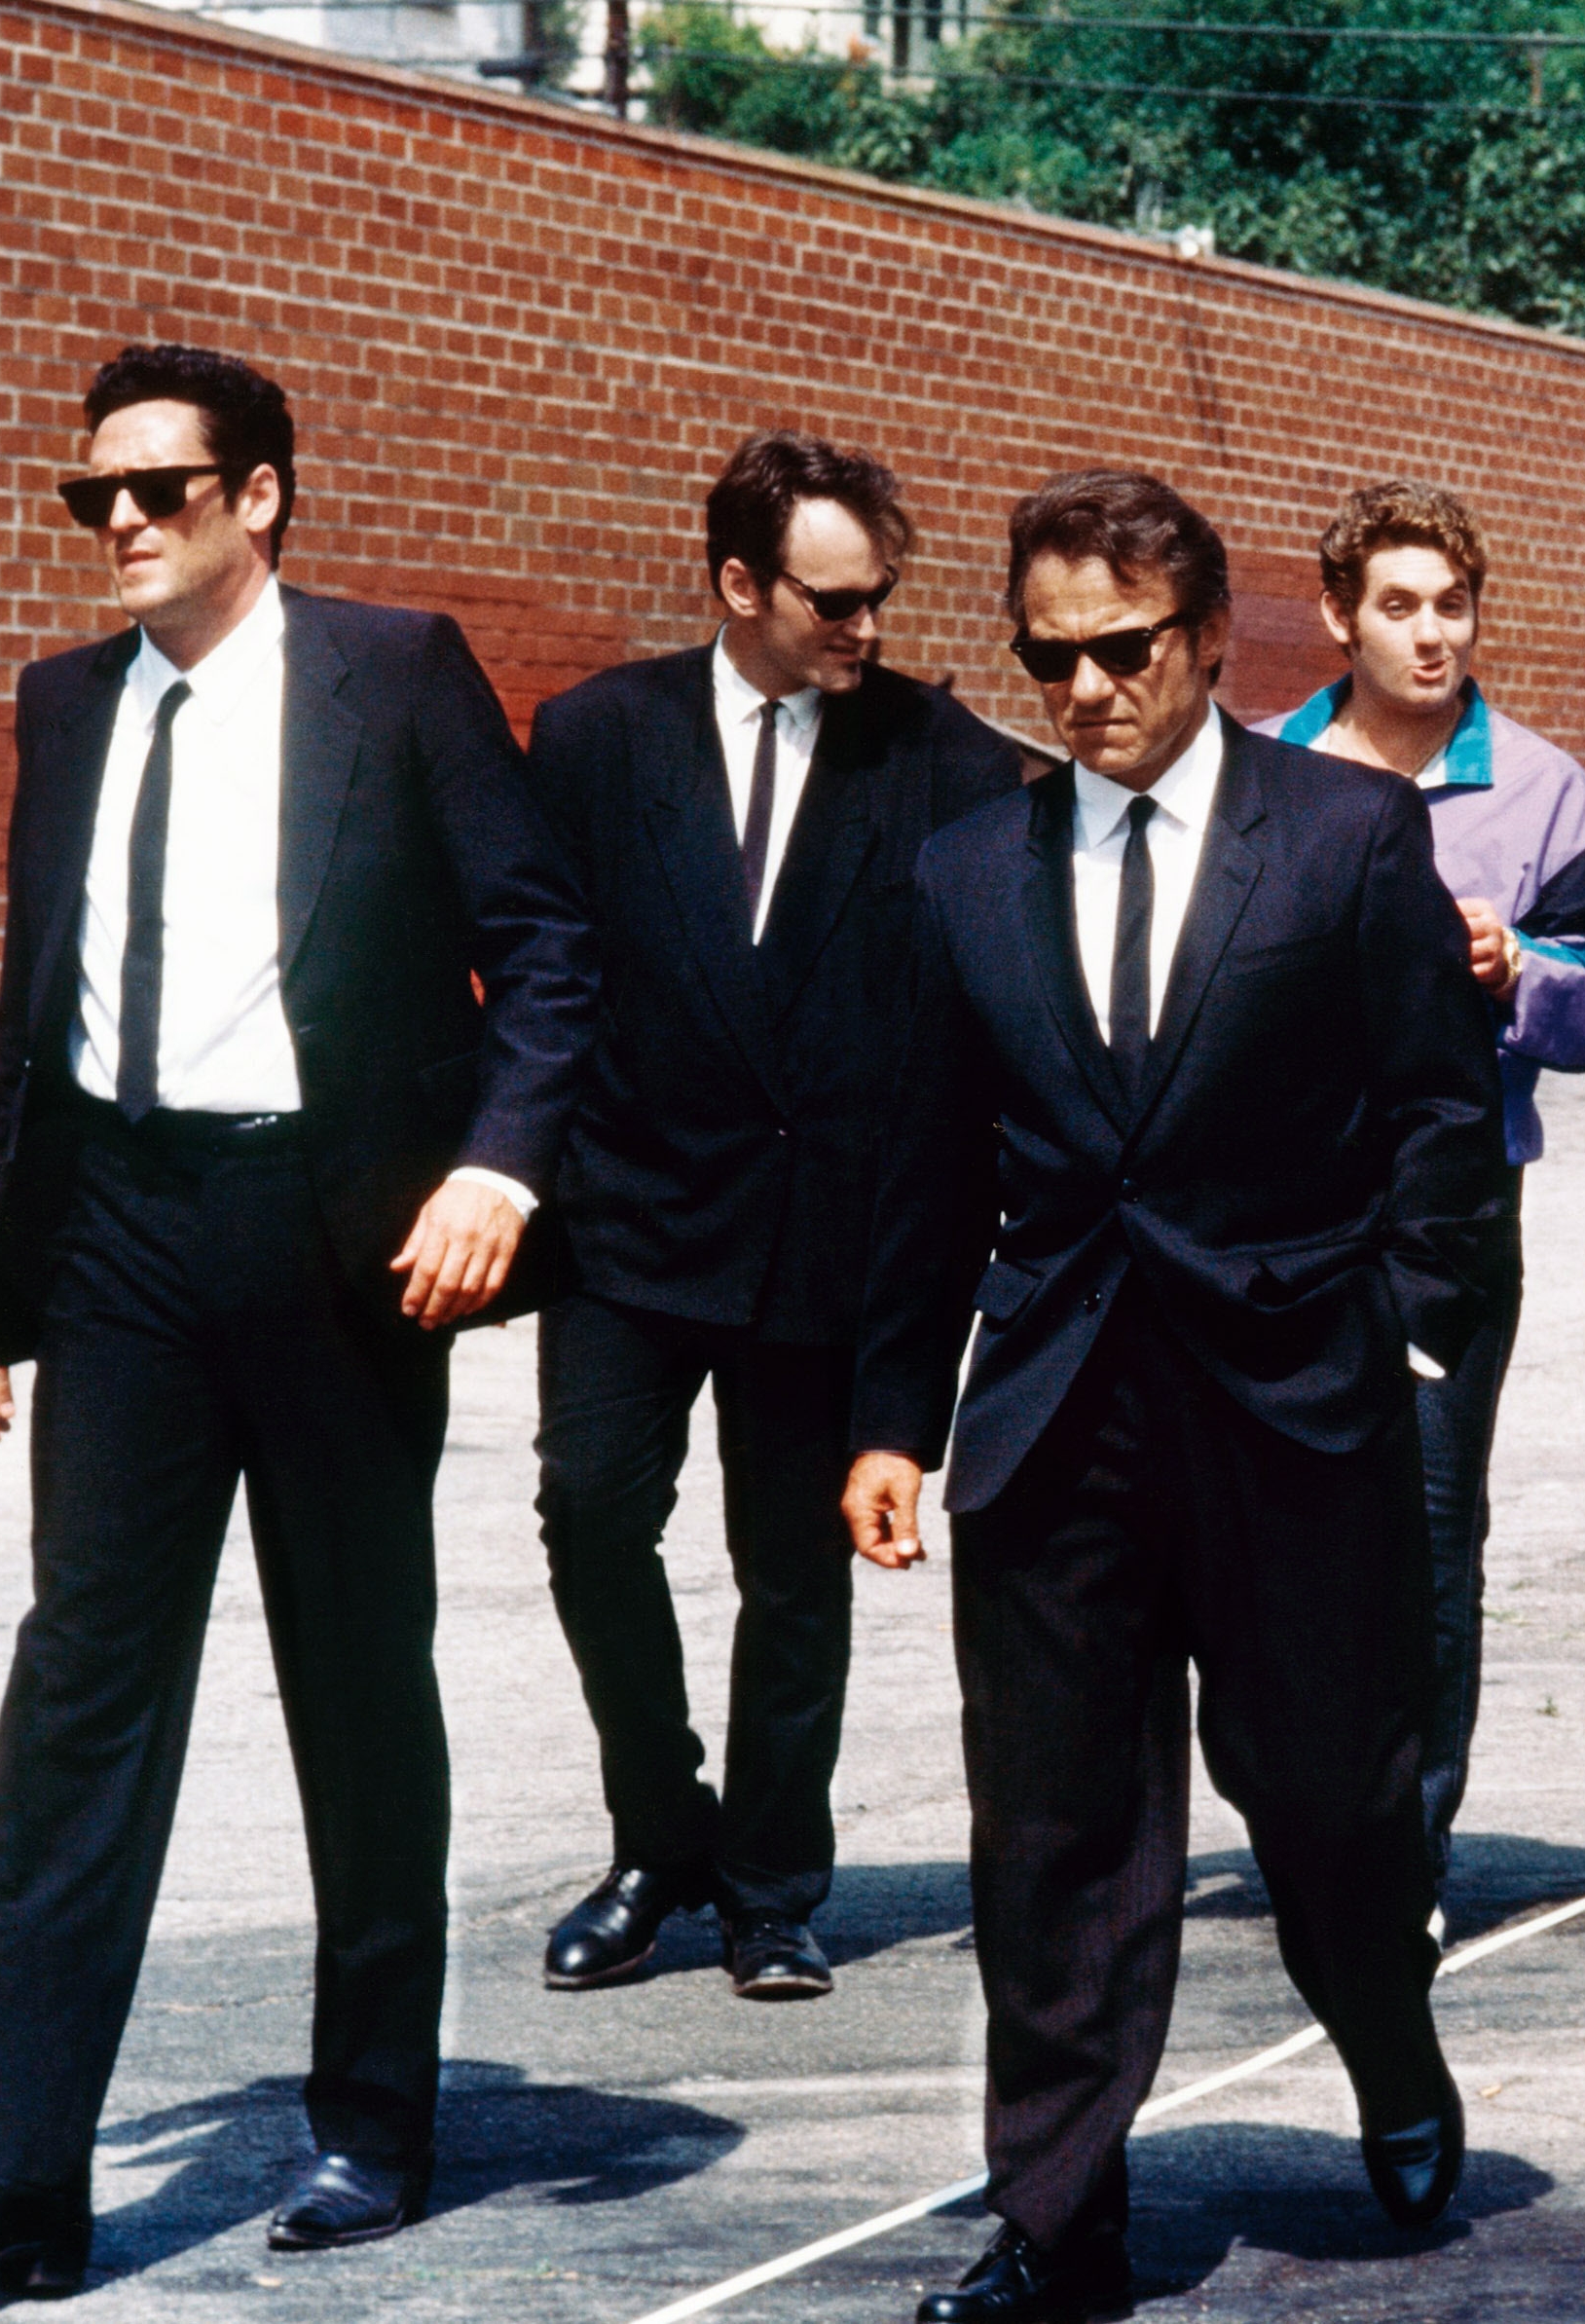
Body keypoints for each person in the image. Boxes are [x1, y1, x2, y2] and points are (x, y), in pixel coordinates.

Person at [0, 346, 595, 2296]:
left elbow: (539, 946)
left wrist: (496, 1171)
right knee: (78, 1686)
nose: (118, 524)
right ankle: (16, 2175)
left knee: (359, 1687)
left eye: (158, 490)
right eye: (91, 497)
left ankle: (372, 2120)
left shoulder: (392, 671)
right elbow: (48, 1002)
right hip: (117, 1238)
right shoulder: (64, 705)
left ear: (258, 495)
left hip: (336, 1238)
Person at [841, 469, 1506, 2323]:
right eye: (1050, 656)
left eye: (1123, 650)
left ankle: (1387, 2036)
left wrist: (1409, 1337)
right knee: (1049, 1830)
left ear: (1210, 639)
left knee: (1332, 1806)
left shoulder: (1350, 838)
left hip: (1297, 1401)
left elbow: (1445, 1127)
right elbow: (919, 1173)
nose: (1085, 689)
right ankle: (1060, 2214)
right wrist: (897, 1417)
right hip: (1057, 1413)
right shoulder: (969, 867)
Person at [523, 435, 1024, 2001]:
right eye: (832, 600)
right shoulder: (598, 737)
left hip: (827, 1232)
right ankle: (657, 1831)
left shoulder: (941, 761)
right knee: (592, 1517)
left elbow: (954, 1042)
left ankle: (770, 1885)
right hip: (630, 1222)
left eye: (880, 596)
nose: (864, 628)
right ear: (738, 583)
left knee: (792, 1575)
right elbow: (553, 978)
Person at [1258, 478, 1585, 1891]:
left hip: (1451, 1218)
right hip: (1269, 1222)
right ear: (1338, 618)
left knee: (1424, 1532)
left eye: (1454, 607)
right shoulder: (1258, 768)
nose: (1432, 636)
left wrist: (1518, 970)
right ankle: (1305, 1819)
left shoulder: (1542, 788)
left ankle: (1402, 1847)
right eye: (1400, 607)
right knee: (1277, 1538)